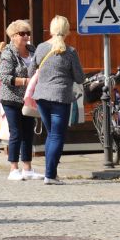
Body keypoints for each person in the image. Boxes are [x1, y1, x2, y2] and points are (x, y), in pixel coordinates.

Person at [30, 15, 84, 185]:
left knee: (51, 134)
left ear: (51, 29)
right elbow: (80, 77)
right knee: (57, 136)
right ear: (67, 30)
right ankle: (50, 175)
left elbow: (31, 71)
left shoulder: (40, 48)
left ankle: (50, 173)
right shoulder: (70, 52)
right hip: (60, 97)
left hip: (42, 97)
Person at [0, 19, 36, 181]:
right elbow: (4, 77)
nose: (26, 36)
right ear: (13, 36)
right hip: (11, 98)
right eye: (22, 34)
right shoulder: (8, 53)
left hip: (28, 99)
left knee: (28, 132)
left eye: (28, 33)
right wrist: (26, 81)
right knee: (16, 132)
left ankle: (27, 168)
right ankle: (13, 168)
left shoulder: (32, 50)